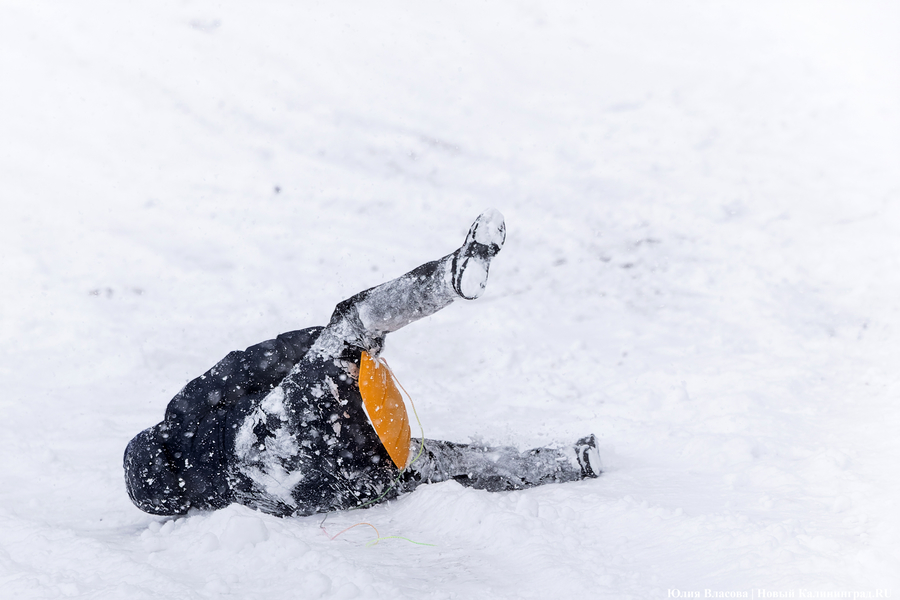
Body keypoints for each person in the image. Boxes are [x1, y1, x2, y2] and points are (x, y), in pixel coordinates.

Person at [124, 209, 601, 517]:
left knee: (433, 462)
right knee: (354, 321)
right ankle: (449, 278)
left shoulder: (207, 497)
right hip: (271, 434)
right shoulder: (182, 418)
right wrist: (320, 344)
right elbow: (246, 366)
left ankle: (567, 463)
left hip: (300, 487)